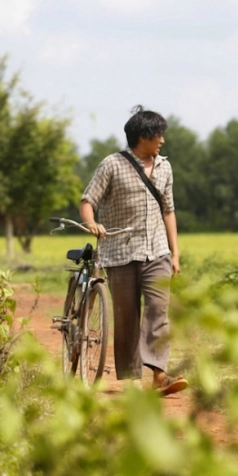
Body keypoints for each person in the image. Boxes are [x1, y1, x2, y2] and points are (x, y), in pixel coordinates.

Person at [80, 105, 188, 396]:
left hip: (157, 252)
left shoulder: (165, 167)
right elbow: (88, 200)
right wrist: (91, 223)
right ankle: (130, 379)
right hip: (120, 253)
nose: (163, 140)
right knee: (126, 315)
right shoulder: (112, 165)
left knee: (158, 309)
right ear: (143, 136)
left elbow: (169, 211)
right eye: (158, 135)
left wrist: (175, 253)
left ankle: (160, 374)